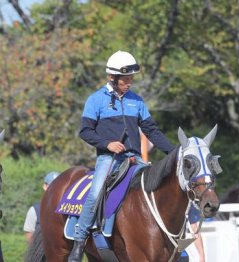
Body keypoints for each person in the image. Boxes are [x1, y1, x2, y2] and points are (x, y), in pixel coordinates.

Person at [68, 50, 175, 261]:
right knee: (96, 192)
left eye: (131, 79)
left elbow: (152, 131)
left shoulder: (137, 101)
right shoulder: (95, 100)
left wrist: (175, 153)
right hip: (108, 160)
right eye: (126, 79)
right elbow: (85, 131)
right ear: (112, 77)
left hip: (136, 159)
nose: (130, 83)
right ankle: (79, 242)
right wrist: (107, 145)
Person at [23, 171, 60, 244]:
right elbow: (29, 235)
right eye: (52, 185)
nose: (56, 189)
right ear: (45, 186)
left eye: (59, 186)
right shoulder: (34, 210)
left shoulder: (67, 209)